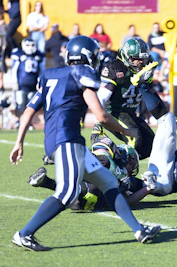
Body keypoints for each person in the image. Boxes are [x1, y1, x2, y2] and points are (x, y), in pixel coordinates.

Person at [9, 36, 161, 251]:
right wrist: (125, 130)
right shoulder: (83, 73)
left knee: (108, 181)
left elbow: (28, 112)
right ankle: (24, 234)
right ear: (90, 56)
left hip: (65, 140)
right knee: (67, 192)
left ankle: (138, 230)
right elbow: (100, 114)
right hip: (67, 139)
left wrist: (19, 142)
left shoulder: (50, 75)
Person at [91, 38, 167, 160]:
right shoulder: (116, 68)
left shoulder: (146, 67)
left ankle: (115, 160)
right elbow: (101, 97)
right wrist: (98, 122)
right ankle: (123, 173)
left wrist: (165, 113)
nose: (139, 62)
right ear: (126, 56)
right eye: (135, 59)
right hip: (112, 112)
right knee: (134, 137)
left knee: (150, 143)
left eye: (142, 59)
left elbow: (150, 91)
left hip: (129, 113)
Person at [28, 135, 141, 211]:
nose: (132, 168)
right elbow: (101, 147)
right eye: (132, 164)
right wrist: (121, 176)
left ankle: (46, 181)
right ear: (126, 157)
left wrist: (149, 188)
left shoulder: (130, 183)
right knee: (101, 164)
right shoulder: (110, 159)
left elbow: (127, 200)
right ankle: (64, 156)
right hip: (89, 171)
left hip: (86, 195)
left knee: (81, 198)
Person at [10, 38, 44, 129]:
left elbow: (41, 71)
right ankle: (18, 121)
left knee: (31, 106)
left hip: (33, 85)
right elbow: (14, 70)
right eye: (28, 45)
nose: (30, 48)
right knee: (20, 104)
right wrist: (14, 81)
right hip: (21, 85)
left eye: (32, 45)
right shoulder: (19, 54)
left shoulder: (38, 56)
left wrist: (40, 82)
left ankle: (28, 123)